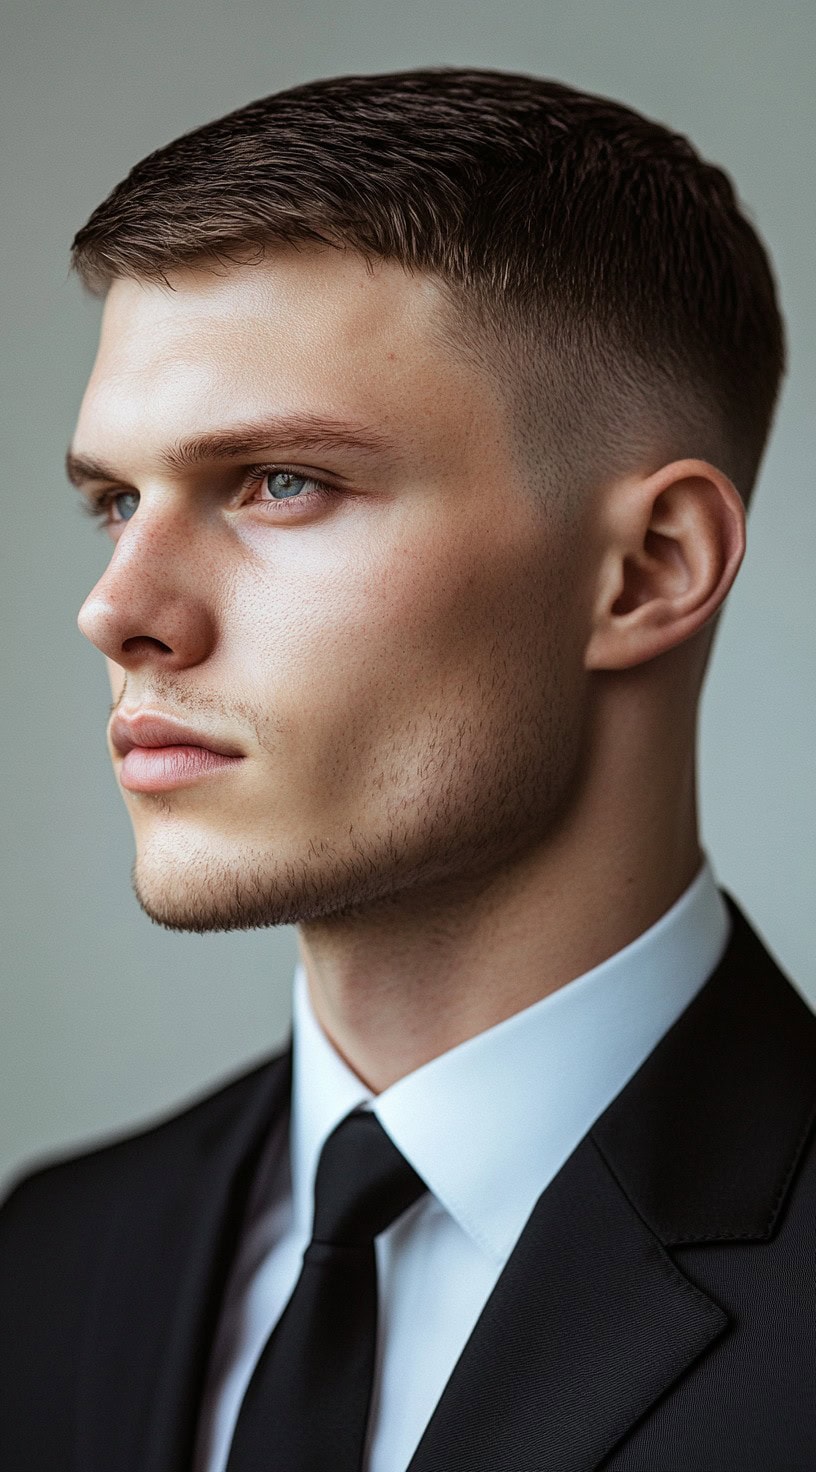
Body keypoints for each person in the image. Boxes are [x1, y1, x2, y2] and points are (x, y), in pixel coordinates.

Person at [1, 65, 813, 1472]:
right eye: (115, 501)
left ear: (648, 569)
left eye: (279, 483)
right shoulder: (54, 1257)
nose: (118, 609)